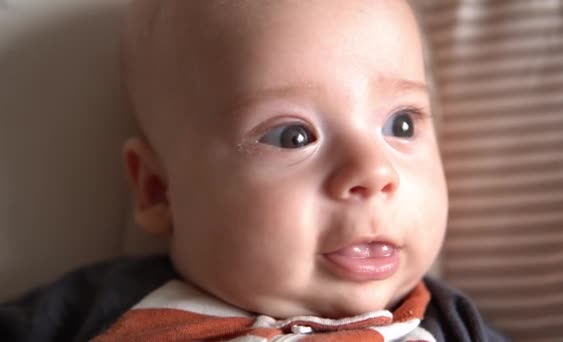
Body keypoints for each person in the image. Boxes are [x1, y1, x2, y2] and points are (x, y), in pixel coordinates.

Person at [0, 1, 508, 341]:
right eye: (293, 136)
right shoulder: (107, 306)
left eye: (401, 124)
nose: (373, 171)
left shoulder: (447, 326)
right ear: (158, 191)